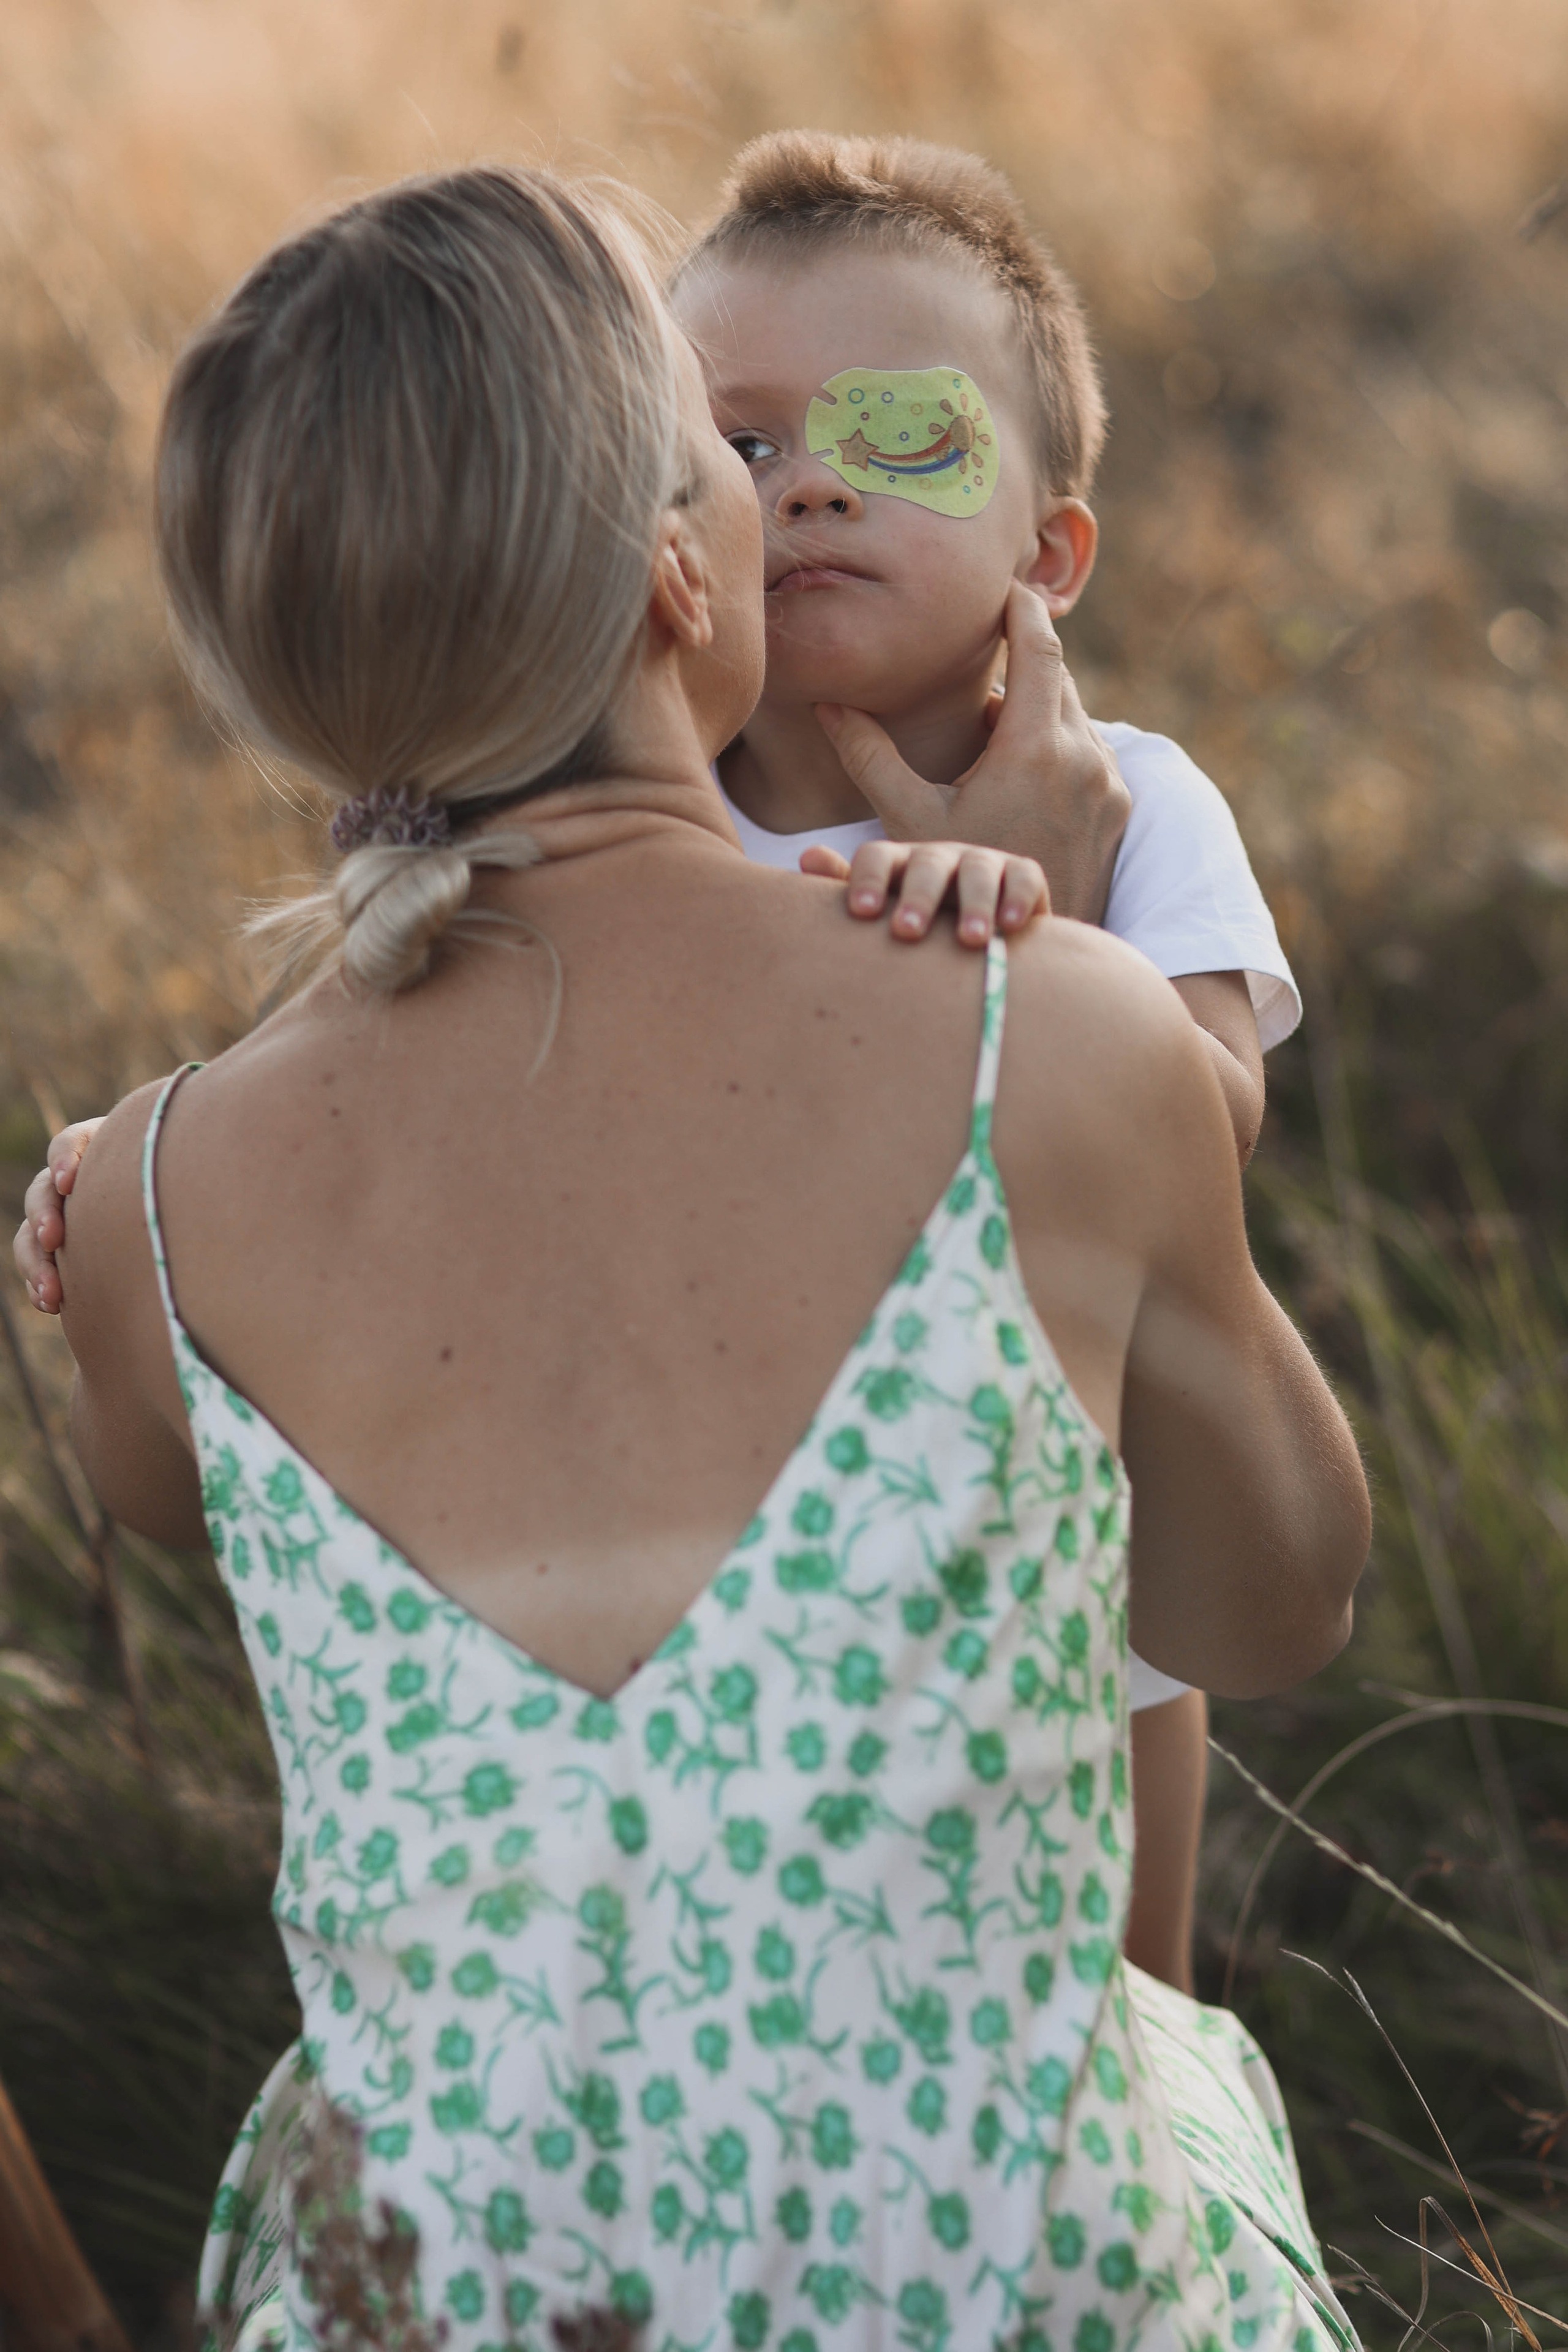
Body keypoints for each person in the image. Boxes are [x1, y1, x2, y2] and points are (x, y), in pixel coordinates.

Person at [23, 165, 1367, 2350]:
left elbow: (174, 1503)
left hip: (434, 2306)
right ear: (677, 564)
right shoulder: (1053, 1021)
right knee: (1177, 2068)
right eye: (730, 451)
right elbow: (1268, 1606)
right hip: (990, 2290)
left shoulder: (151, 1195)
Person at [664, 132, 1303, 1993]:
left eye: (904, 438)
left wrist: (1050, 917)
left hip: (1069, 1543)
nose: (813, 491)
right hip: (736, 1544)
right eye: (746, 444)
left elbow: (1208, 1122)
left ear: (1051, 550)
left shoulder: (1136, 802)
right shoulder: (652, 834)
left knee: (1111, 2008)